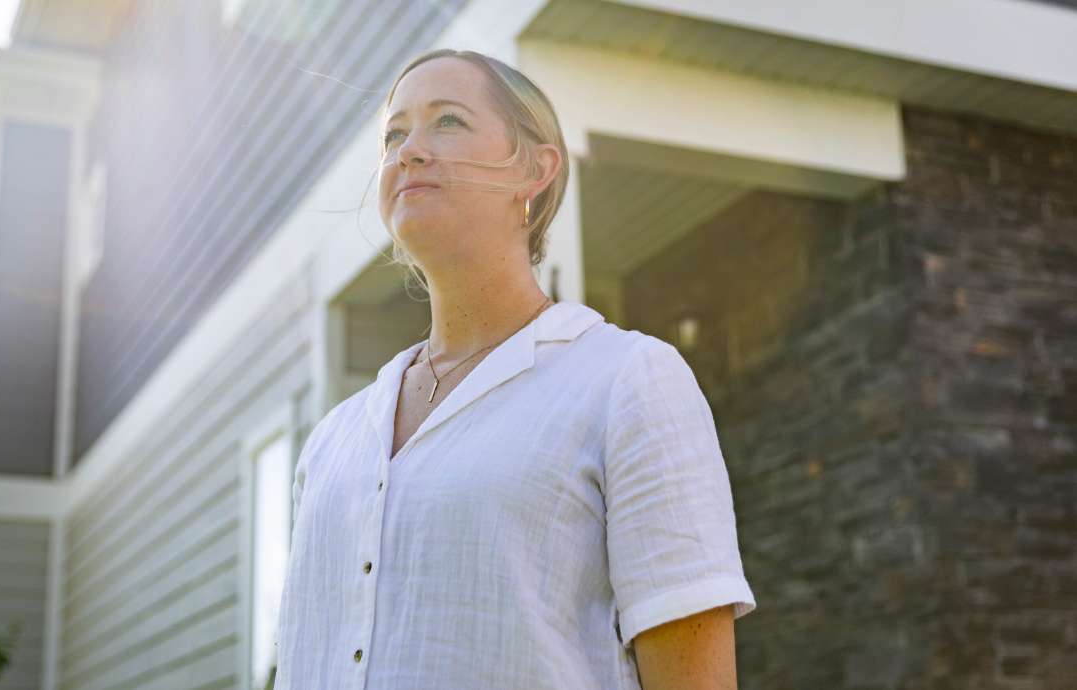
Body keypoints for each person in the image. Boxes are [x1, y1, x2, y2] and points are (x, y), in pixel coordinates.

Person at [273, 48, 756, 690]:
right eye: (394, 134)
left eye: (447, 121)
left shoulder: (627, 380)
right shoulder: (331, 441)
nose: (409, 149)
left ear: (535, 169)